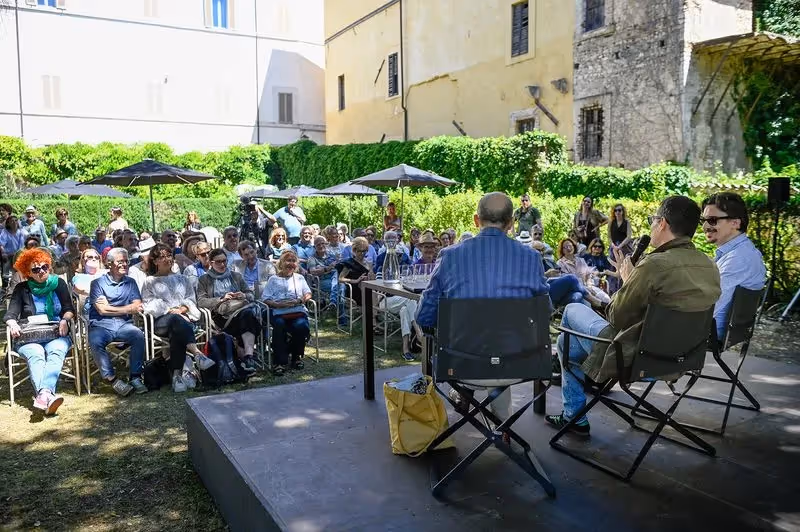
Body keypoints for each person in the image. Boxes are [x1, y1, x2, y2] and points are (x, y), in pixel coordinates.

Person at [545, 196, 721, 437]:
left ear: (662, 224)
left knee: (571, 316)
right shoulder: (709, 265)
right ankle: (575, 407)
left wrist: (628, 280)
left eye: (653, 221)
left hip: (634, 359)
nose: (651, 226)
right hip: (684, 359)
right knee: (568, 345)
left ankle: (574, 415)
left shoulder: (653, 265)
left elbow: (616, 317)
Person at [416, 192, 550, 422]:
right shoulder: (531, 258)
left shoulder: (450, 256)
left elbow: (424, 316)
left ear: (476, 221)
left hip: (462, 363)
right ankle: (501, 424)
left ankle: (464, 394)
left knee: (473, 342)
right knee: (499, 344)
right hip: (519, 363)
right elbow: (545, 310)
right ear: (511, 223)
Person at [4, 248, 75, 414]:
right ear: (28, 272)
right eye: (35, 269)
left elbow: (69, 308)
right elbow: (10, 314)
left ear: (49, 267)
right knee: (36, 353)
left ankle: (43, 395)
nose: (41, 271)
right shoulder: (22, 288)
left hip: (56, 332)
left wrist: (65, 319)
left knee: (57, 349)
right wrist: (13, 324)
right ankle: (47, 394)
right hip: (29, 336)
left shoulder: (59, 284)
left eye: (44, 267)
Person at [141, 243, 213, 392]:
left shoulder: (182, 278)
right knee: (176, 320)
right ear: (155, 261)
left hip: (182, 320)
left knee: (177, 330)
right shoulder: (150, 281)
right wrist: (170, 309)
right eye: (162, 257)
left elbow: (191, 298)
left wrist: (183, 308)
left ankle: (176, 377)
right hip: (161, 320)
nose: (167, 259)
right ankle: (197, 354)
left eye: (169, 255)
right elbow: (149, 304)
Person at [700, 192, 766, 340]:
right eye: (703, 220)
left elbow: (707, 307)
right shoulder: (740, 252)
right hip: (712, 329)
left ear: (735, 223)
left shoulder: (739, 258)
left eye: (712, 220)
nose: (704, 226)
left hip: (707, 333)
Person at [87, 248, 148, 397]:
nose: (124, 264)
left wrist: (111, 307)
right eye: (120, 261)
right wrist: (127, 308)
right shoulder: (97, 283)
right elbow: (101, 311)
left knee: (138, 335)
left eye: (126, 261)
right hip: (101, 324)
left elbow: (138, 306)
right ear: (109, 264)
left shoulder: (131, 282)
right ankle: (112, 379)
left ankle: (135, 376)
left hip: (123, 325)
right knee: (95, 341)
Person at [197, 248, 260, 372]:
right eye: (218, 261)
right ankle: (246, 358)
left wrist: (244, 295)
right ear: (211, 263)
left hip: (241, 310)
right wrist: (220, 299)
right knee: (249, 319)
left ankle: (247, 356)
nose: (222, 264)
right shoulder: (204, 279)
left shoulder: (236, 276)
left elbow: (251, 295)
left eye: (224, 261)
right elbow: (201, 301)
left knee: (247, 315)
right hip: (220, 317)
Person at [261, 250, 312, 376]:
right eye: (287, 261)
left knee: (301, 325)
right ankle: (279, 361)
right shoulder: (273, 279)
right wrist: (278, 304)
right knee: (279, 324)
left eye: (293, 261)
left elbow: (308, 293)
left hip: (296, 310)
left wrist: (300, 300)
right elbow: (265, 298)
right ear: (281, 263)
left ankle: (296, 356)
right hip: (277, 310)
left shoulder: (299, 278)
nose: (291, 264)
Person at [558, 238, 610, 305]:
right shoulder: (560, 263)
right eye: (565, 247)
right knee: (587, 304)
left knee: (606, 298)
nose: (568, 248)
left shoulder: (581, 260)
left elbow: (588, 276)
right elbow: (567, 283)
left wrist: (590, 285)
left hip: (588, 286)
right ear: (562, 250)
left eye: (570, 245)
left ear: (574, 246)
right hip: (574, 290)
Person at [336, 236, 375, 325]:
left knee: (377, 293)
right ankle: (373, 320)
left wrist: (372, 276)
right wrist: (356, 280)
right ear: (354, 250)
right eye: (359, 251)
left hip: (368, 287)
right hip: (354, 290)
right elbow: (340, 279)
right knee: (373, 294)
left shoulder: (368, 263)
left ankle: (373, 319)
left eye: (364, 251)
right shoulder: (349, 263)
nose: (362, 253)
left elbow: (372, 277)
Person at [307, 236, 340, 310]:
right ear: (314, 247)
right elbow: (312, 272)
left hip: (334, 280)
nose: (321, 246)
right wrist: (327, 269)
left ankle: (333, 303)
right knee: (341, 287)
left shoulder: (332, 256)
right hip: (321, 282)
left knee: (337, 276)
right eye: (318, 244)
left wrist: (321, 269)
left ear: (326, 244)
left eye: (323, 243)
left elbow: (337, 267)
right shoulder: (312, 259)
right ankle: (341, 315)